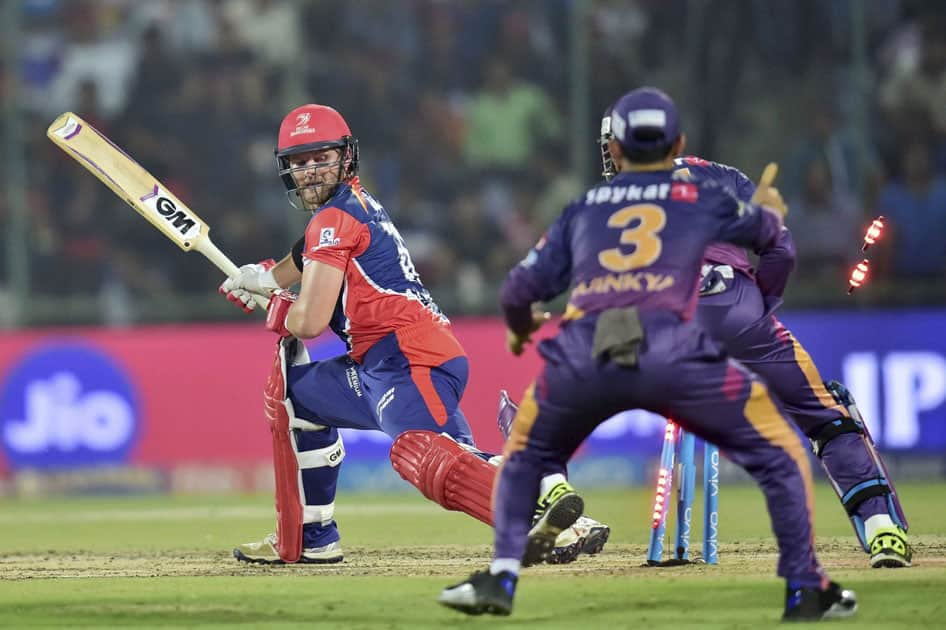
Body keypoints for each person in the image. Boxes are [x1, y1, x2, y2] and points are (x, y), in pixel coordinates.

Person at [438, 87, 857, 622]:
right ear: (677, 143)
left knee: (524, 455)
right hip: (672, 343)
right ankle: (804, 588)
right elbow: (774, 239)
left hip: (596, 341)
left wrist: (520, 329)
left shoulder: (584, 208)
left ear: (613, 150)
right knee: (781, 454)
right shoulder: (702, 198)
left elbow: (519, 290)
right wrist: (766, 245)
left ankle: (500, 577)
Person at [218, 103, 608, 565]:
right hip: (378, 364)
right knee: (295, 397)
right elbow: (299, 262)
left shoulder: (333, 219)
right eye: (300, 163)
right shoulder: (347, 211)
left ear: (345, 157)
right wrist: (260, 279)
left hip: (408, 357)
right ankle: (311, 536)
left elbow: (310, 322)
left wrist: (278, 304)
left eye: (321, 157)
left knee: (417, 454)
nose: (310, 171)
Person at [667, 155, 912, 569]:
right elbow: (780, 245)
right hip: (737, 308)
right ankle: (881, 528)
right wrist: (759, 304)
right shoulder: (724, 177)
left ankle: (557, 496)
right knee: (825, 415)